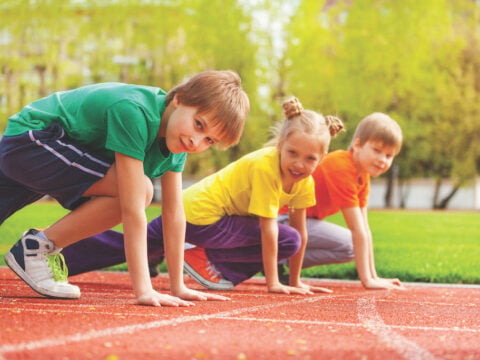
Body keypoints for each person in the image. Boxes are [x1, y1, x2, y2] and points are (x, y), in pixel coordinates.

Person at [0, 70, 250, 306]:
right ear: (179, 100)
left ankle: (38, 247)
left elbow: (174, 214)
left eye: (209, 140)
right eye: (198, 124)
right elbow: (132, 207)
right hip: (32, 140)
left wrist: (178, 286)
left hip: (46, 153)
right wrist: (144, 289)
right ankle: (37, 247)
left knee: (141, 190)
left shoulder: (177, 145)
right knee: (140, 191)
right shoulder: (135, 111)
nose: (196, 142)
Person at [60, 97, 343, 295]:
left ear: (322, 158)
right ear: (281, 144)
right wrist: (274, 283)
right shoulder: (265, 167)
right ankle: (205, 261)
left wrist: (296, 281)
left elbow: (302, 231)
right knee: (285, 238)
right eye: (292, 153)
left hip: (198, 214)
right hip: (201, 216)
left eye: (309, 159)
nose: (299, 164)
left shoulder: (304, 181)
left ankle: (60, 259)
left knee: (139, 243)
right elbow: (269, 230)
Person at [278, 112, 405, 290]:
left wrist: (375, 276)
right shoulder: (341, 167)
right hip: (282, 219)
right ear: (358, 144)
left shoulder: (362, 176)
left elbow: (365, 228)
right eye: (377, 150)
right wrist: (367, 281)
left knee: (350, 248)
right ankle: (270, 253)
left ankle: (280, 259)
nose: (382, 160)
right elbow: (357, 229)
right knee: (350, 242)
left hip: (304, 221)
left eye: (388, 156)